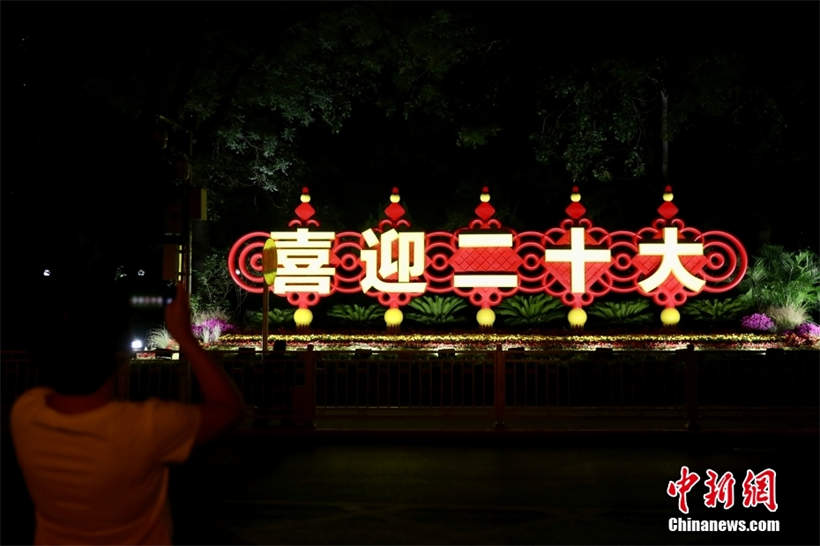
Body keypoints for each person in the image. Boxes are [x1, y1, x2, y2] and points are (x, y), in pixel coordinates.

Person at [10, 282, 243, 545]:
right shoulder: (146, 426)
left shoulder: (25, 412)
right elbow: (229, 410)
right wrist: (186, 338)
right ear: (118, 356)